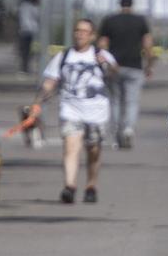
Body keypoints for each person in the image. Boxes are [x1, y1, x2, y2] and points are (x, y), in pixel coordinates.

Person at [26, 18, 118, 203]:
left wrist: (106, 65)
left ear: (92, 35)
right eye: (77, 30)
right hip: (71, 109)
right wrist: (37, 104)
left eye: (85, 31)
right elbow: (50, 82)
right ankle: (70, 186)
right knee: (71, 147)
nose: (80, 34)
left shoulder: (102, 55)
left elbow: (115, 75)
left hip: (96, 111)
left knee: (93, 149)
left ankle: (91, 185)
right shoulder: (64, 56)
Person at [98, 0, 154, 149]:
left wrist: (105, 64)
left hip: (114, 66)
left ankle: (116, 133)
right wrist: (149, 65)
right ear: (132, 2)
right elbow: (148, 45)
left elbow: (102, 44)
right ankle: (128, 129)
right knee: (131, 101)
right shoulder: (140, 21)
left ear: (119, 1)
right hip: (134, 65)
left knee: (114, 100)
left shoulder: (110, 20)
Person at [16, 0, 40, 75]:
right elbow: (38, 16)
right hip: (31, 31)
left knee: (24, 51)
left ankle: (24, 68)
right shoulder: (33, 7)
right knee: (30, 51)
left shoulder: (22, 7)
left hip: (23, 31)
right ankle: (27, 68)